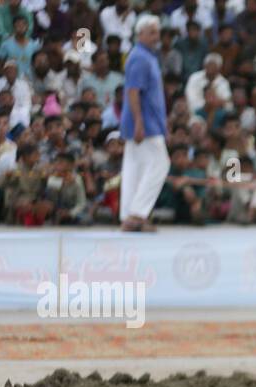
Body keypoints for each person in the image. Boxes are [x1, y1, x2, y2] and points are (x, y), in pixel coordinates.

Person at [119, 14, 169, 232]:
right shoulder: (140, 57)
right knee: (160, 164)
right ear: (139, 34)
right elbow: (132, 91)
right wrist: (139, 122)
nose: (156, 37)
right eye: (151, 32)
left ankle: (128, 215)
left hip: (146, 122)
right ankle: (138, 213)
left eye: (157, 32)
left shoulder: (147, 56)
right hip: (145, 124)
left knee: (135, 168)